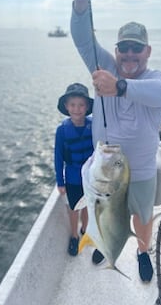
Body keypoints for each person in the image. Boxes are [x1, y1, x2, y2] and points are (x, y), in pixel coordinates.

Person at [71, 0, 161, 282]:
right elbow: (82, 38)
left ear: (147, 51)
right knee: (100, 212)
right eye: (124, 48)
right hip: (104, 171)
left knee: (142, 219)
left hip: (140, 172)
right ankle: (103, 244)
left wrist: (119, 87)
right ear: (116, 50)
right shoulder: (104, 65)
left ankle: (143, 252)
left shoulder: (156, 79)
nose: (130, 55)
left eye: (136, 48)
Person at [55, 83, 94, 256]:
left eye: (81, 105)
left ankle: (85, 230)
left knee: (86, 206)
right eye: (72, 105)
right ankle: (74, 236)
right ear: (66, 107)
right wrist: (60, 182)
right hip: (72, 178)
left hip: (90, 178)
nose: (77, 109)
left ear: (87, 107)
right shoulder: (62, 130)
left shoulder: (94, 125)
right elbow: (58, 158)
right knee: (74, 208)